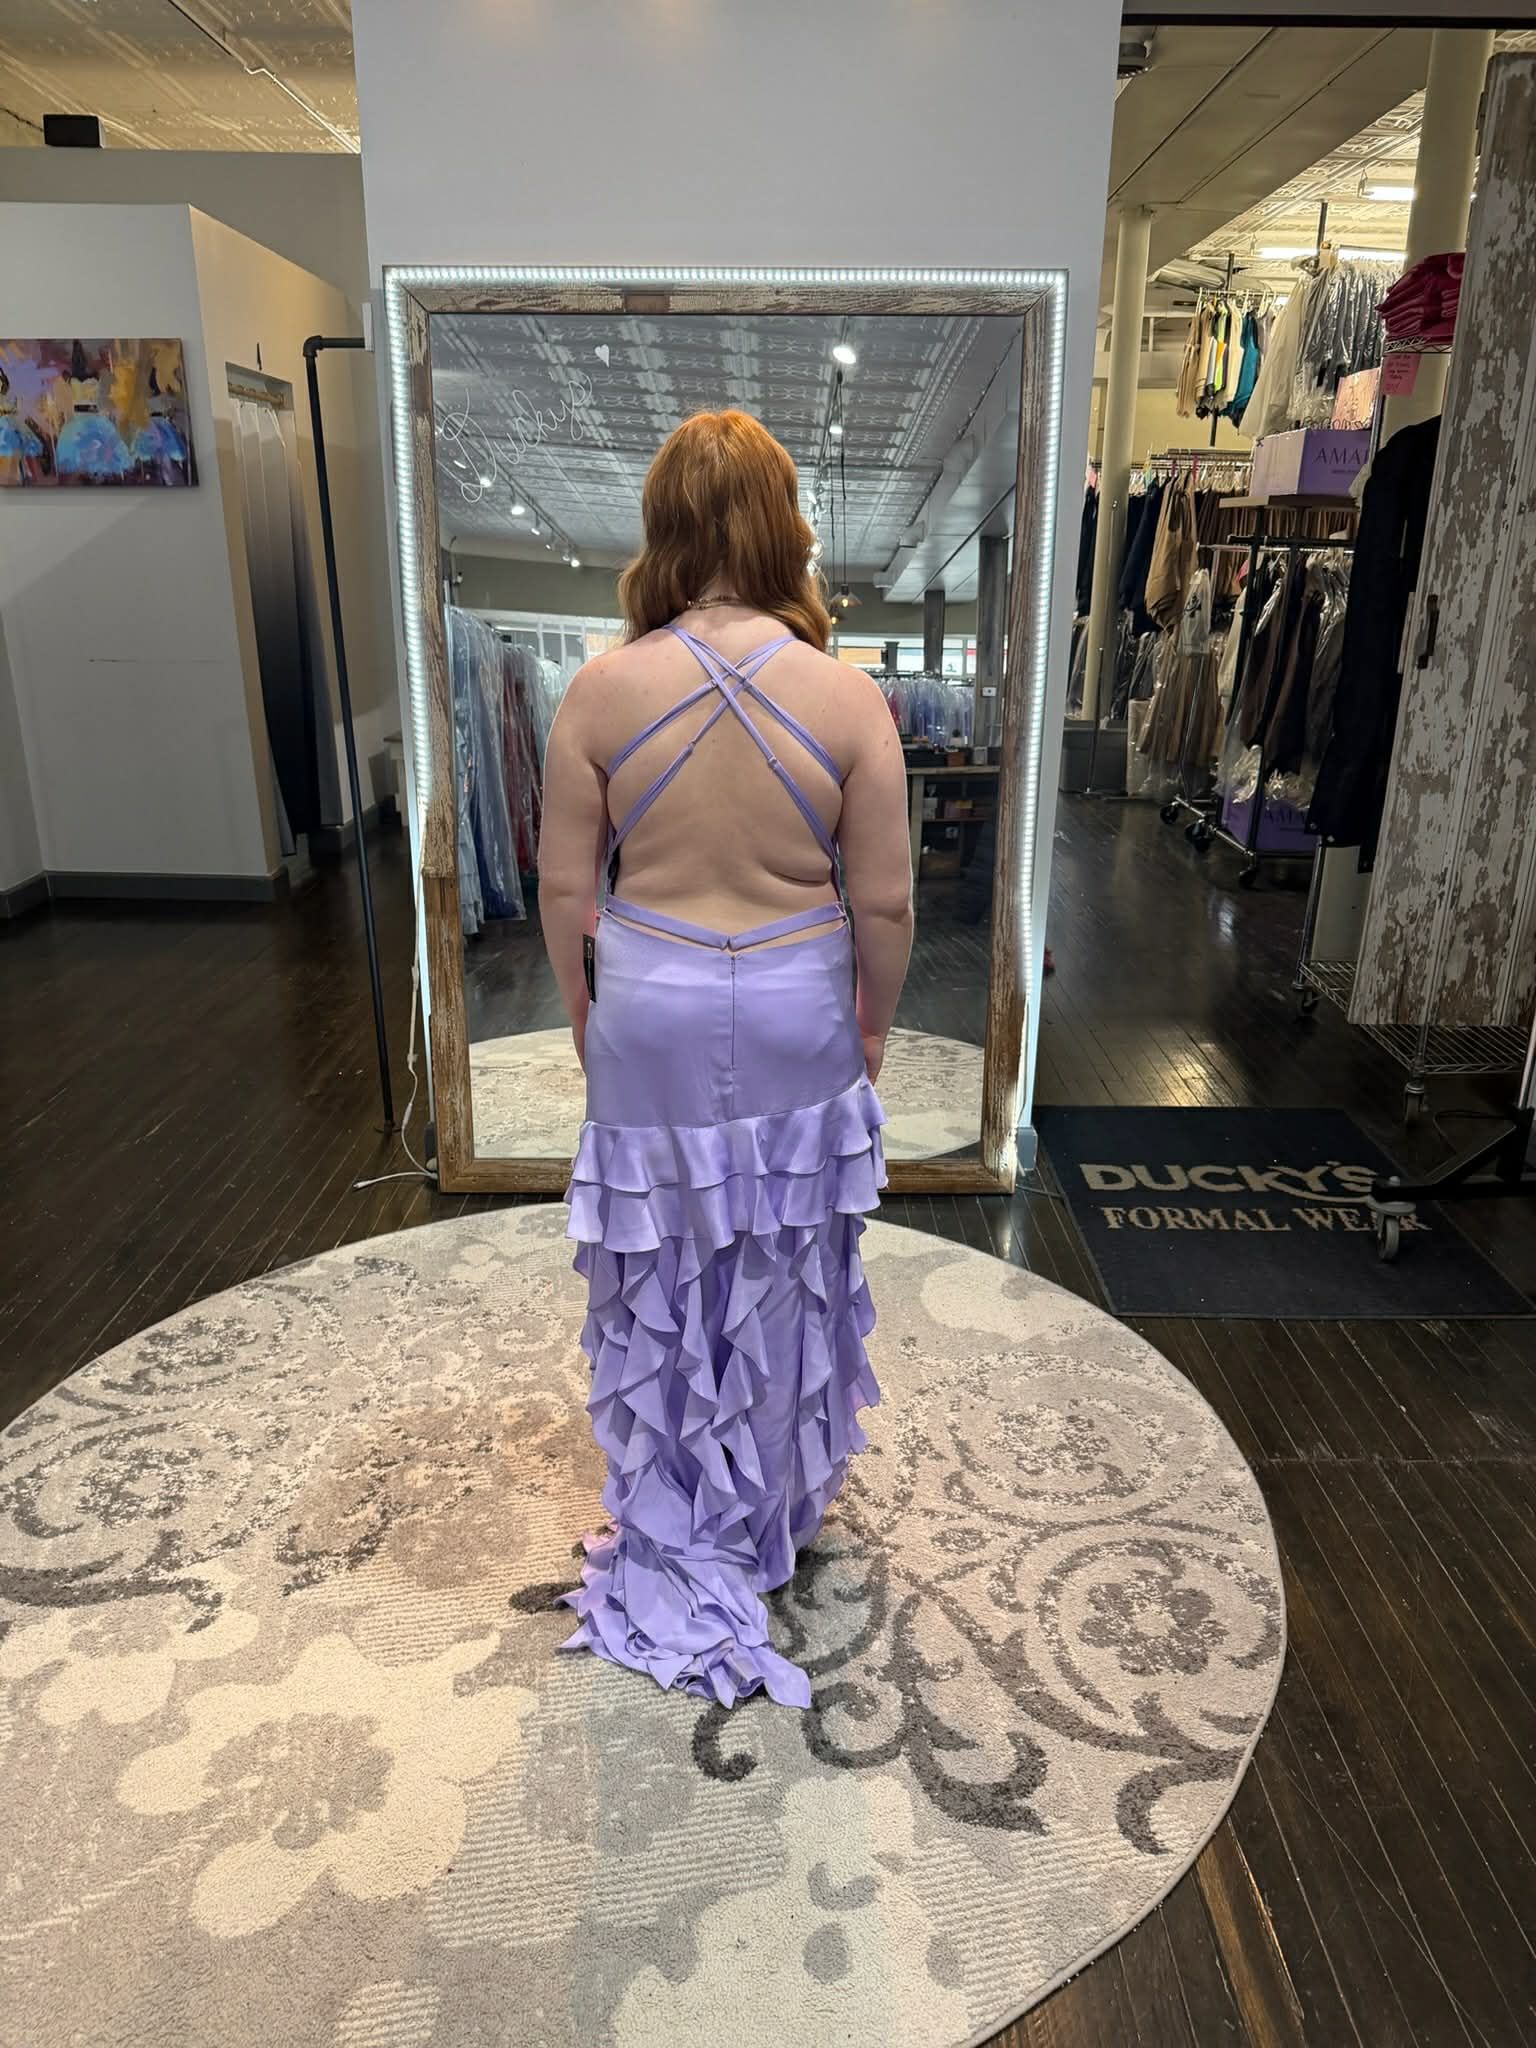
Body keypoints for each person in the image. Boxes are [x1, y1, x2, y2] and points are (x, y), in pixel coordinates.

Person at [538, 409, 913, 1708]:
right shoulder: (849, 694)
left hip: (652, 997)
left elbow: (563, 892)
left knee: (662, 1270)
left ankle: (676, 1503)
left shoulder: (600, 689)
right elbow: (886, 907)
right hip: (801, 996)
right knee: (787, 1261)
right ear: (784, 527)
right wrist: (873, 1022)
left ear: (664, 531)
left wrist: (585, 1018)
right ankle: (771, 1511)